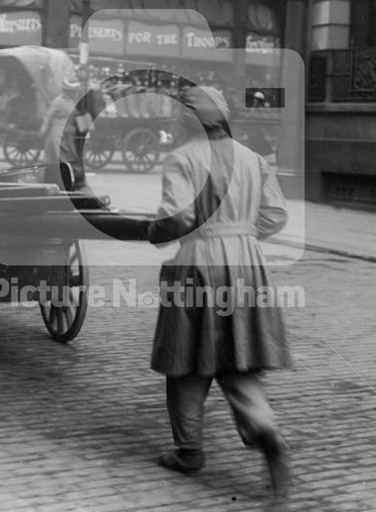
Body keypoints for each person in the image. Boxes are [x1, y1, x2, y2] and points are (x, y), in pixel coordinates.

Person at [148, 85, 292, 498]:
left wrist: (154, 234)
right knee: (240, 360)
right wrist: (243, 234)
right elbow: (276, 215)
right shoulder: (253, 158)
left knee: (186, 359)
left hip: (199, 260)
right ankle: (269, 435)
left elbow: (177, 219)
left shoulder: (183, 158)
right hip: (247, 263)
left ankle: (189, 452)